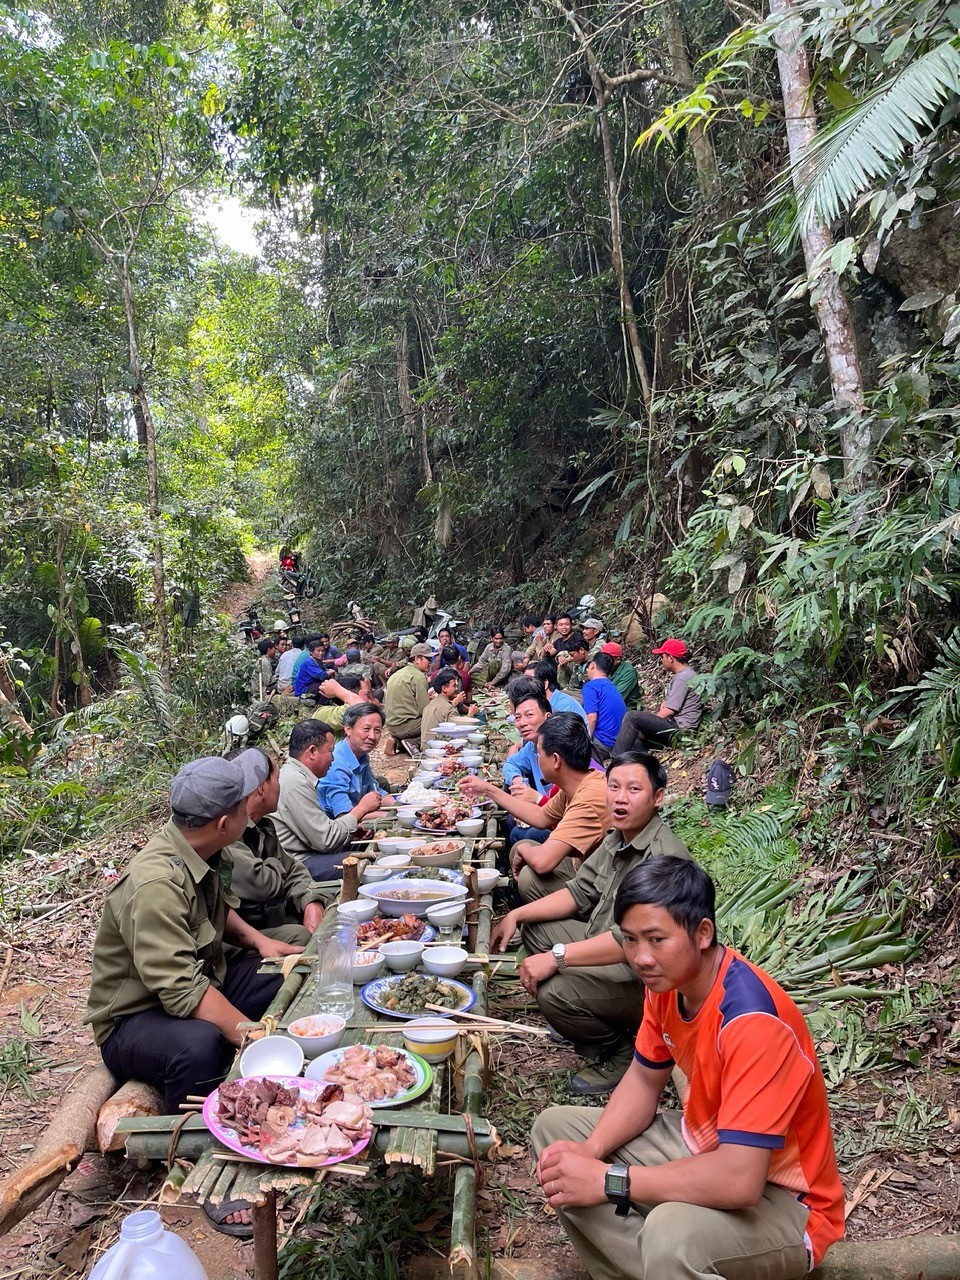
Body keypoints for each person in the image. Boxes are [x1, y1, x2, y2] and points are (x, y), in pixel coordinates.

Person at [531, 855, 845, 1279]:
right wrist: (590, 1153)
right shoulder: (667, 984)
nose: (641, 957)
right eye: (630, 939)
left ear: (702, 933)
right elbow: (643, 1081)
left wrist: (609, 1179)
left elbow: (740, 1181)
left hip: (785, 1199)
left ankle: (667, 1261)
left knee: (671, 1232)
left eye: (656, 939)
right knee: (557, 1136)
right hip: (702, 1145)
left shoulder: (751, 1022)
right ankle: (656, 1270)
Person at [85, 753, 301, 1114]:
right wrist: (256, 1036)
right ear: (222, 823)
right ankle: (188, 1136)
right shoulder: (155, 884)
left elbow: (216, 911)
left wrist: (259, 941)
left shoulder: (207, 851)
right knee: (202, 1044)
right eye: (242, 804)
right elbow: (182, 990)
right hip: (136, 1018)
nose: (250, 807)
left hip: (201, 980)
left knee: (278, 975)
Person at [490, 753, 689, 1095]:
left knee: (554, 992)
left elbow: (629, 943)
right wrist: (516, 914)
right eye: (614, 786)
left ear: (658, 798)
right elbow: (579, 891)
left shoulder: (661, 859)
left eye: (633, 789)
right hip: (613, 949)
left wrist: (558, 957)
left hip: (650, 983)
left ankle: (622, 1051)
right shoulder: (620, 836)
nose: (620, 797)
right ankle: (587, 1011)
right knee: (536, 928)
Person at [461, 713, 608, 901]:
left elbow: (542, 862)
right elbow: (541, 816)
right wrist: (488, 790)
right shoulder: (577, 783)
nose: (537, 759)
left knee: (530, 875)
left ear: (555, 760)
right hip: (583, 867)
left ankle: (545, 924)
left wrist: (525, 852)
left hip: (600, 889)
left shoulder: (588, 799)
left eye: (539, 753)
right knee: (523, 845)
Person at [222, 748, 326, 945]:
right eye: (277, 779)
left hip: (273, 917)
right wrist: (279, 866)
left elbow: (294, 869)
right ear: (261, 788)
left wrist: (310, 901)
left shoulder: (263, 826)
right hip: (241, 937)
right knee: (300, 936)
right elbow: (262, 884)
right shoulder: (228, 835)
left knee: (330, 904)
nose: (280, 787)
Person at [274, 721, 382, 879]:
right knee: (366, 862)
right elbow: (325, 841)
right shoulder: (295, 782)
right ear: (312, 751)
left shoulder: (300, 775)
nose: (333, 758)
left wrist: (351, 833)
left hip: (315, 850)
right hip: (299, 863)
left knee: (367, 843)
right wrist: (361, 809)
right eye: (331, 751)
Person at [613, 639, 702, 754]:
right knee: (632, 737)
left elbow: (669, 710)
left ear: (670, 658)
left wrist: (649, 726)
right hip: (676, 728)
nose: (661, 660)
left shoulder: (683, 677)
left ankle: (614, 760)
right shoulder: (684, 675)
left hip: (681, 731)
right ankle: (645, 763)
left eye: (662, 657)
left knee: (632, 717)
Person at [499, 679, 554, 850]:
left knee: (525, 835)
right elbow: (510, 764)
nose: (522, 722)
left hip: (561, 818)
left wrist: (535, 799)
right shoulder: (532, 746)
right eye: (518, 717)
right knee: (511, 825)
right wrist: (516, 779)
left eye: (529, 715)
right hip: (547, 810)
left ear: (547, 717)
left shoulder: (559, 746)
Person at [317, 702, 393, 818]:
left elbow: (374, 791)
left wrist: (401, 804)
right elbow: (344, 816)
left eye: (377, 730)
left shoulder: (361, 754)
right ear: (348, 729)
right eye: (366, 729)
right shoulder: (336, 763)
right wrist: (390, 816)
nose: (372, 736)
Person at [383, 642, 433, 750]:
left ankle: (397, 742)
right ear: (417, 659)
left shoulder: (397, 674)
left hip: (391, 726)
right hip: (407, 726)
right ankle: (413, 742)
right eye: (428, 659)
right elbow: (425, 710)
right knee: (437, 720)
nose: (430, 663)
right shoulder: (419, 677)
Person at [583, 653, 628, 757]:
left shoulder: (591, 687)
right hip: (619, 742)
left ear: (592, 665)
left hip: (603, 742)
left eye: (588, 666)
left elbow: (592, 718)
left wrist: (585, 742)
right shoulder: (611, 685)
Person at [531, 658, 588, 722]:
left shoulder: (563, 707)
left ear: (545, 684)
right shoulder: (548, 703)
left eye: (529, 680)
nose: (523, 684)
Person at [420, 669, 466, 746]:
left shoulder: (429, 705)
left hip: (426, 748)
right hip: (439, 749)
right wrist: (470, 714)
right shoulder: (448, 708)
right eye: (454, 686)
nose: (457, 689)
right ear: (444, 688)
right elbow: (459, 731)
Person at [601, 641, 639, 710]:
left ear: (618, 659)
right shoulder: (607, 668)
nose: (604, 661)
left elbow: (616, 698)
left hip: (624, 708)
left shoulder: (628, 672)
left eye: (608, 659)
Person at [249, 637, 277, 701]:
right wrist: (278, 675)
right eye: (274, 649)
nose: (275, 651)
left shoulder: (264, 660)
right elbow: (268, 681)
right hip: (260, 691)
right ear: (269, 650)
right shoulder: (264, 662)